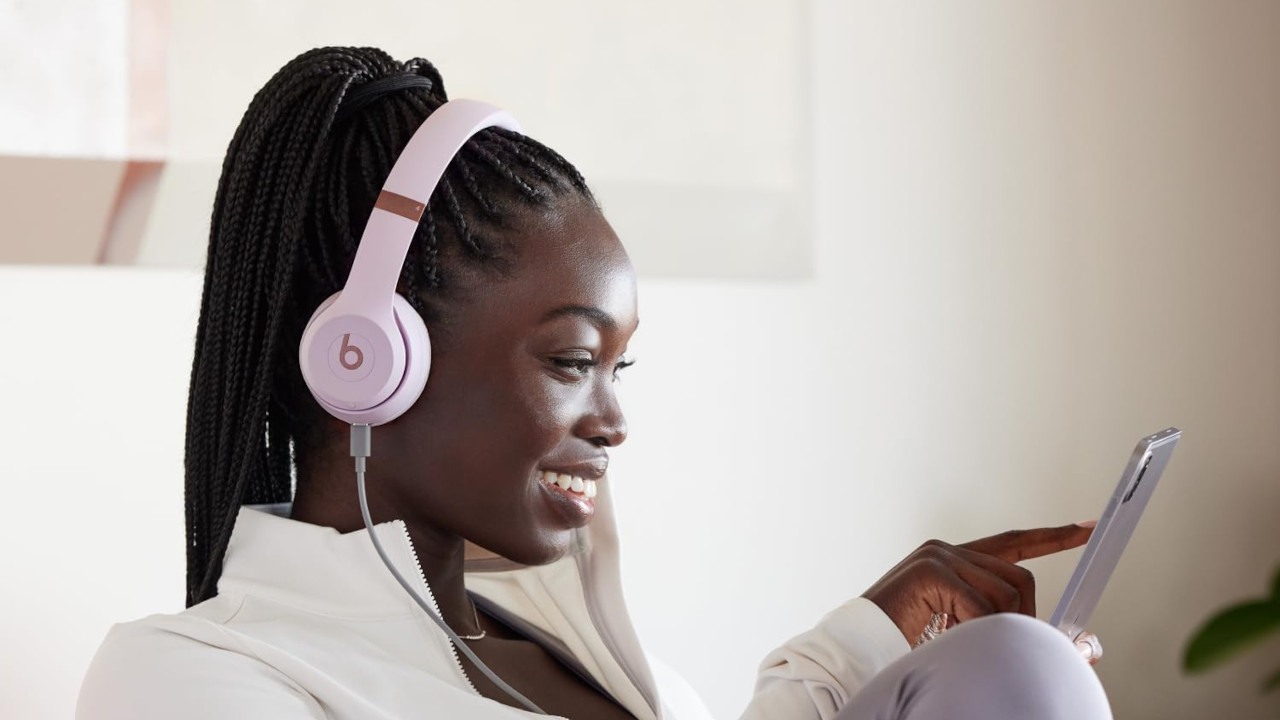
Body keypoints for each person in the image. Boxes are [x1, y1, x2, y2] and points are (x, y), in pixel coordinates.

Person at [76, 46, 1112, 719]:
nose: (612, 421)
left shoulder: (572, 643)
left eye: (620, 367)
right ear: (367, 357)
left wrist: (865, 653)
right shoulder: (189, 679)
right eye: (573, 362)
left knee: (1019, 670)